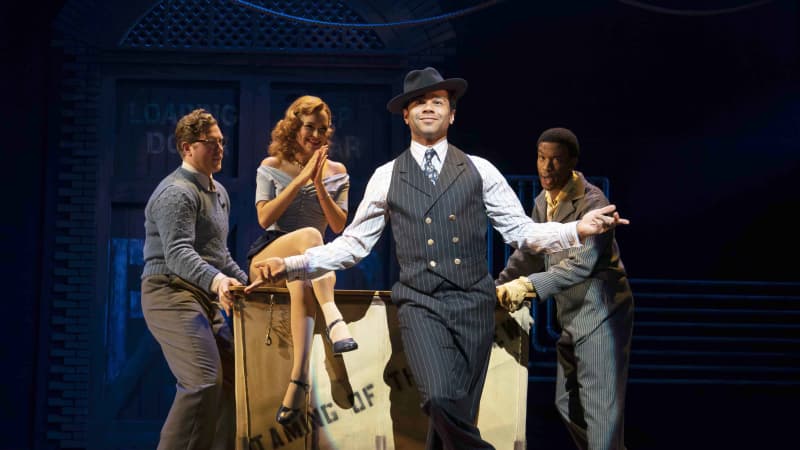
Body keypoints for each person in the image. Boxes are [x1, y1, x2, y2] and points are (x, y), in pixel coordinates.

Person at [247, 67, 629, 450]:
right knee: (440, 399)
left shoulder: (480, 170)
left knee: (453, 420)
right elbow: (352, 245)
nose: (429, 108)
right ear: (406, 115)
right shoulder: (387, 175)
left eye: (438, 102)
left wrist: (577, 229)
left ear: (452, 114)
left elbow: (521, 232)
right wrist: (293, 264)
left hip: (474, 308)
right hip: (421, 306)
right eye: (419, 103)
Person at [495, 127, 634, 450]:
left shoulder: (593, 202)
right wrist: (498, 289)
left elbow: (581, 264)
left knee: (601, 414)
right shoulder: (544, 201)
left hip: (601, 317)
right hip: (571, 318)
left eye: (556, 160)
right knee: (567, 404)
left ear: (572, 161)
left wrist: (527, 287)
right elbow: (530, 252)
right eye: (542, 158)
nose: (547, 167)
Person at [140, 108, 247, 449]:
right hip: (169, 293)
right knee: (202, 381)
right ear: (187, 148)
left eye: (221, 142)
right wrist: (218, 282)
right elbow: (178, 254)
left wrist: (247, 285)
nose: (219, 149)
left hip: (202, 297)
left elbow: (219, 255)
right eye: (210, 143)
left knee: (234, 382)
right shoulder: (176, 192)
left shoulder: (219, 193)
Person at [246, 95, 356, 425]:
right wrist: (302, 177)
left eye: (323, 129)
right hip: (268, 260)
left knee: (308, 266)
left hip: (307, 266)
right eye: (309, 127)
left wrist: (320, 182)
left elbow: (338, 225)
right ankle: (334, 318)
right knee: (310, 237)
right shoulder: (271, 166)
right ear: (295, 126)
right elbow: (265, 219)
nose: (316, 135)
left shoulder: (338, 172)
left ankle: (298, 382)